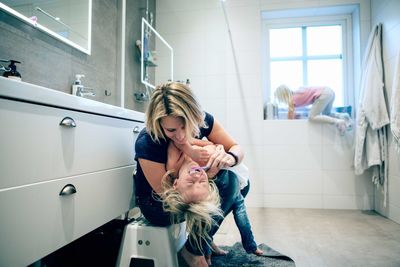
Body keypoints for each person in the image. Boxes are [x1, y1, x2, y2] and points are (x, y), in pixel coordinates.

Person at [134, 82, 245, 267]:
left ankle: (198, 242)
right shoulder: (148, 142)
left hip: (186, 183)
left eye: (185, 127)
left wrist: (228, 157)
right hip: (157, 202)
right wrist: (205, 176)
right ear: (158, 122)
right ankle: (194, 249)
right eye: (171, 130)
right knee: (227, 184)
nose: (180, 136)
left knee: (238, 182)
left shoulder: (203, 119)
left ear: (195, 116)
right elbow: (167, 190)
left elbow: (236, 148)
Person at [163, 140, 263, 258]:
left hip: (238, 178)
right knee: (233, 212)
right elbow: (211, 147)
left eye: (190, 182)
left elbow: (177, 141)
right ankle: (247, 245)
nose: (197, 176)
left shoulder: (174, 166)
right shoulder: (207, 171)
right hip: (237, 179)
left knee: (228, 213)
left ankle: (207, 246)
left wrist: (195, 150)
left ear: (176, 184)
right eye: (202, 181)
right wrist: (213, 154)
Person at [274, 84, 352, 133]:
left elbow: (289, 119)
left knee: (311, 117)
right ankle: (343, 116)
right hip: (329, 91)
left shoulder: (291, 100)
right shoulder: (297, 93)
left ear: (283, 96)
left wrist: (286, 126)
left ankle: (338, 121)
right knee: (326, 114)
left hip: (323, 94)